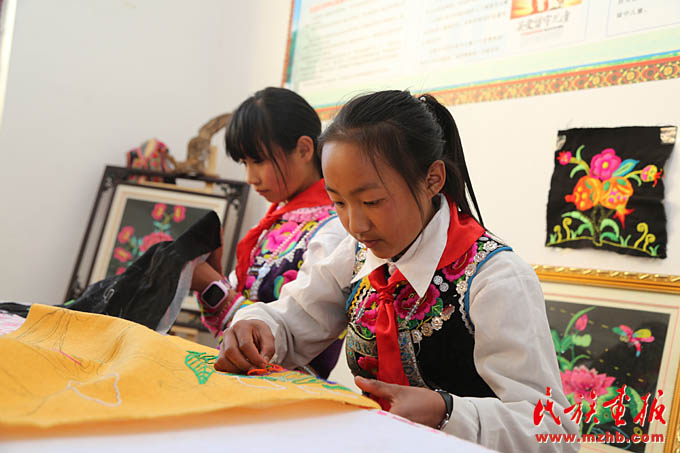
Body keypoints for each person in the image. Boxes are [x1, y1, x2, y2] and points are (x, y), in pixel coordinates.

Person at [215, 90, 578, 452]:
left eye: (372, 201)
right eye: (338, 202)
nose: (356, 224)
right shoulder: (355, 254)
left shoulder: (495, 279)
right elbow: (295, 319)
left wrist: (447, 412)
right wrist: (258, 327)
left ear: (432, 179)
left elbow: (553, 431)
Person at [191, 87, 346, 379]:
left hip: (294, 391)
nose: (251, 177)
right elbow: (237, 321)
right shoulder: (273, 223)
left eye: (259, 161)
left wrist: (213, 286)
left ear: (304, 149)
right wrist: (212, 279)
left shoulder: (335, 229)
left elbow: (293, 327)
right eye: (245, 163)